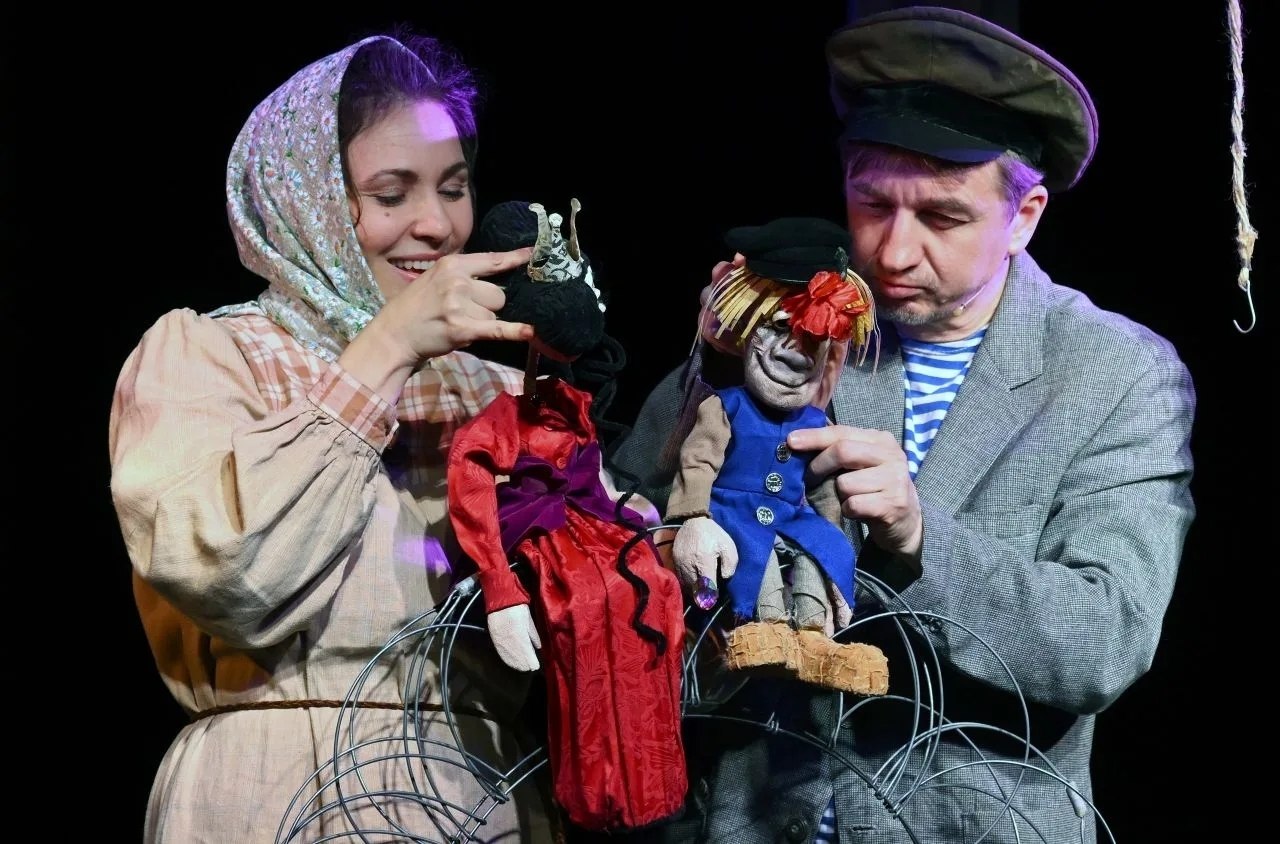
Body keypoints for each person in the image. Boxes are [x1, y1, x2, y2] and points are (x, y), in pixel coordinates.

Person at [610, 6, 1196, 843]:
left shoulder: (1115, 373)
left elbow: (1103, 641)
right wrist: (712, 364)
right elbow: (626, 516)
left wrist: (922, 538)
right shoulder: (789, 319)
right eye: (871, 203)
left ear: (1024, 216)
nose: (891, 251)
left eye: (943, 217)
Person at [109, 27, 562, 843]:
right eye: (392, 194)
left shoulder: (500, 388)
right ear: (311, 205)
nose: (436, 224)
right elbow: (229, 577)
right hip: (277, 788)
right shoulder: (211, 356)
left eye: (453, 188)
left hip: (483, 790)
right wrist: (384, 352)